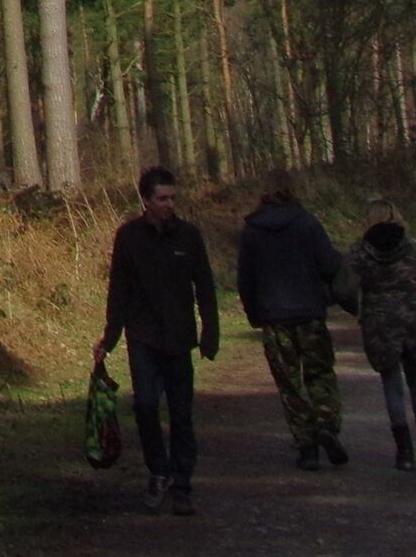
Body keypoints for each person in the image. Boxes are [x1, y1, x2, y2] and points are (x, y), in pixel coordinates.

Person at [99, 164, 222, 515]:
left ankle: (182, 484)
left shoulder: (189, 236)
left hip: (179, 338)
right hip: (143, 338)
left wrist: (210, 333)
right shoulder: (128, 237)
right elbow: (118, 291)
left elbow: (205, 287)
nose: (169, 204)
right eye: (162, 198)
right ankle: (158, 471)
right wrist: (109, 338)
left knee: (181, 414)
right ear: (146, 200)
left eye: (172, 198)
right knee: (145, 407)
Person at [234, 176, 352, 470]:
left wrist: (253, 313)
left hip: (274, 318)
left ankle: (306, 446)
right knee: (320, 373)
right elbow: (330, 265)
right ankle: (326, 423)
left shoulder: (252, 231)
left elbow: (245, 280)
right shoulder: (307, 223)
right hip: (310, 313)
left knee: (289, 384)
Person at [349, 196, 416, 468]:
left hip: (379, 323)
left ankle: (404, 451)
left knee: (391, 384)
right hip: (413, 318)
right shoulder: (412, 248)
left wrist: (355, 308)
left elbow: (346, 286)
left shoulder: (360, 251)